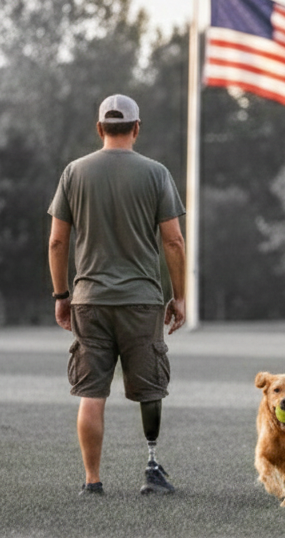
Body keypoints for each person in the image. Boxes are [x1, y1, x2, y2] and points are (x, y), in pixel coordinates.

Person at [48, 94, 187, 497]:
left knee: (91, 392)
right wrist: (178, 296)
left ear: (99, 128)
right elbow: (174, 242)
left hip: (89, 299)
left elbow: (57, 242)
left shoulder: (74, 172)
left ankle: (92, 480)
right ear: (137, 128)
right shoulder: (156, 173)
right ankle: (151, 468)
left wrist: (61, 294)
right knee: (150, 388)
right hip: (142, 299)